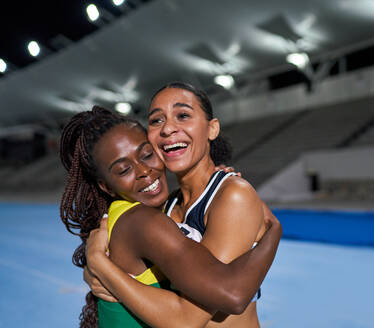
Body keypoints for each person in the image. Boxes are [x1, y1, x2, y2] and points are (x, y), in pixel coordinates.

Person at [60, 106, 282, 328]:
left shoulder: (145, 212)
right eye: (123, 170)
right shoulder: (145, 222)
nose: (143, 171)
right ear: (106, 186)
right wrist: (273, 232)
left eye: (147, 155)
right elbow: (230, 297)